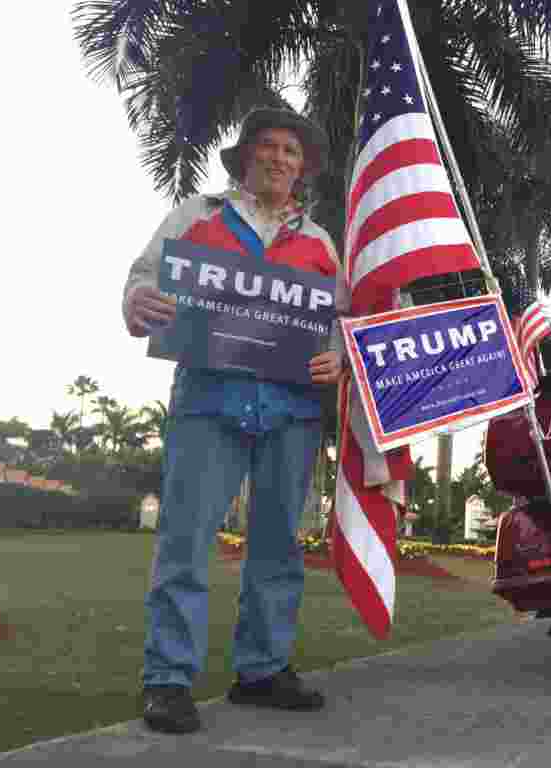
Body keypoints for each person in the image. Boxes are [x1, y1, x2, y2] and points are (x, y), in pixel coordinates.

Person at [123, 107, 346, 734]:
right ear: (246, 156)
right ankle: (168, 680)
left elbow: (336, 323)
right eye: (268, 147)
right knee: (187, 541)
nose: (279, 158)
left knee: (279, 547)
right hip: (208, 399)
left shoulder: (320, 242)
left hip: (292, 410)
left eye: (291, 152)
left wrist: (335, 357)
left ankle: (262, 670)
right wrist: (137, 303)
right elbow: (143, 281)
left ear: (304, 169)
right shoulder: (197, 216)